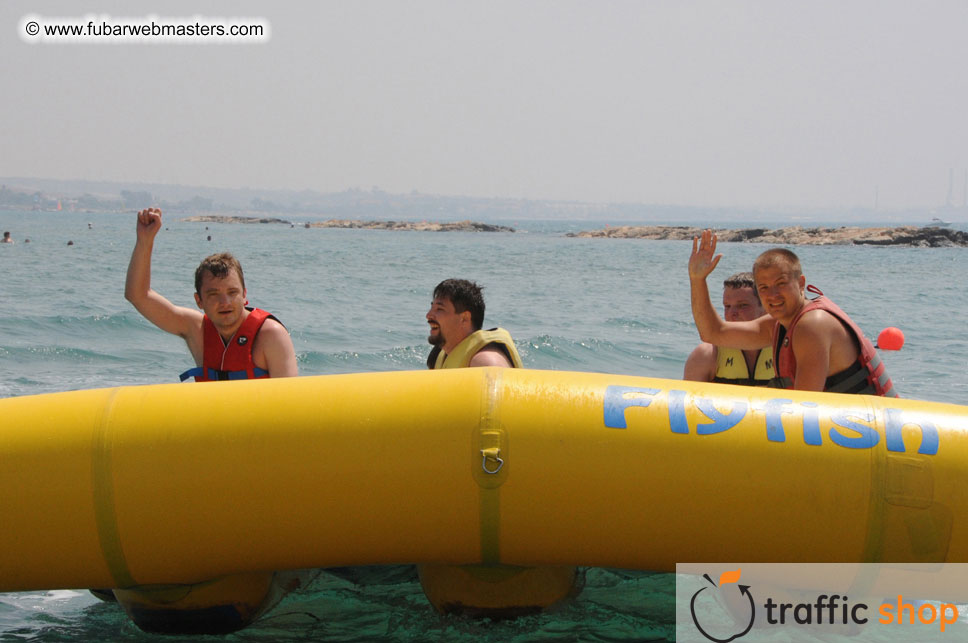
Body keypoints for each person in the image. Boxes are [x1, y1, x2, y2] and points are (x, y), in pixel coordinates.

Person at [419, 279, 578, 617]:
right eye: (432, 307)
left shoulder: (486, 361)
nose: (429, 315)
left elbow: (495, 427)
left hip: (498, 477)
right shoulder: (442, 356)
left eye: (439, 309)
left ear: (465, 319)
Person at [688, 230, 896, 396]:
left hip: (878, 434)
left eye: (781, 284)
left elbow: (804, 408)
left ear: (801, 284)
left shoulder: (812, 324)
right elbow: (713, 333)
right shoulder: (779, 326)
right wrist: (698, 280)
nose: (773, 295)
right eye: (764, 288)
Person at [124, 207, 297, 381]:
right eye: (213, 294)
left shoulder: (270, 335)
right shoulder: (196, 330)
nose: (225, 302)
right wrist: (145, 241)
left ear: (244, 295)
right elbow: (138, 296)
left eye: (232, 292)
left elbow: (288, 401)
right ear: (199, 300)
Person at [683, 272, 775, 386]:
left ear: (766, 308)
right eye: (727, 306)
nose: (732, 313)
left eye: (743, 305)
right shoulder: (707, 355)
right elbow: (687, 401)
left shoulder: (787, 352)